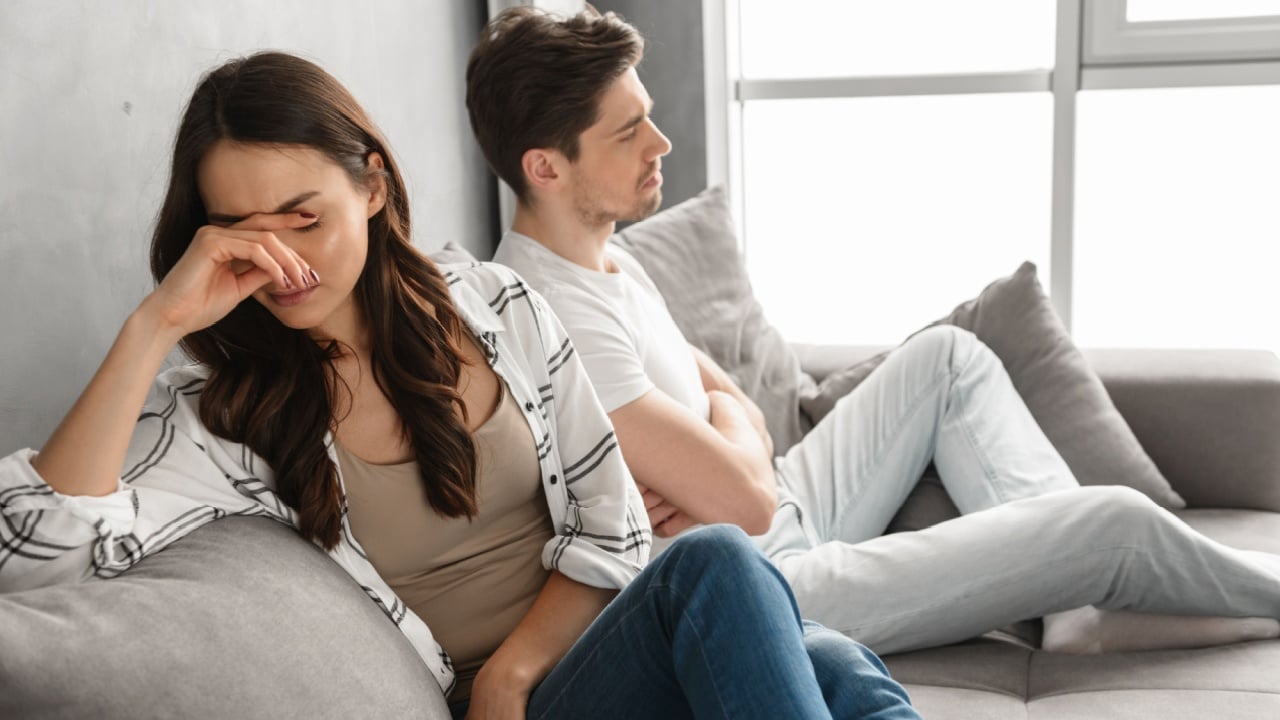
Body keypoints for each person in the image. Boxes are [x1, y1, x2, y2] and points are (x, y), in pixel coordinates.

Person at [0, 52, 921, 719]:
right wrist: (152, 323)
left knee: (837, 667)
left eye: (303, 218)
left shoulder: (496, 305)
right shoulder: (226, 417)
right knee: (721, 564)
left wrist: (513, 673)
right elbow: (34, 551)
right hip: (526, 703)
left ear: (370, 186)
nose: (279, 262)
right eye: (241, 230)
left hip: (552, 672)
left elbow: (614, 520)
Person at [468, 6, 1280, 658]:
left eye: (648, 117)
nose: (661, 143)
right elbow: (746, 512)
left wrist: (733, 433)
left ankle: (1069, 601)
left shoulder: (605, 255)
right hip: (767, 580)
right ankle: (1159, 583)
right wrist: (734, 456)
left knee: (949, 358)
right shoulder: (553, 312)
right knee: (1111, 522)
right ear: (545, 166)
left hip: (784, 499)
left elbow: (727, 398)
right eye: (628, 131)